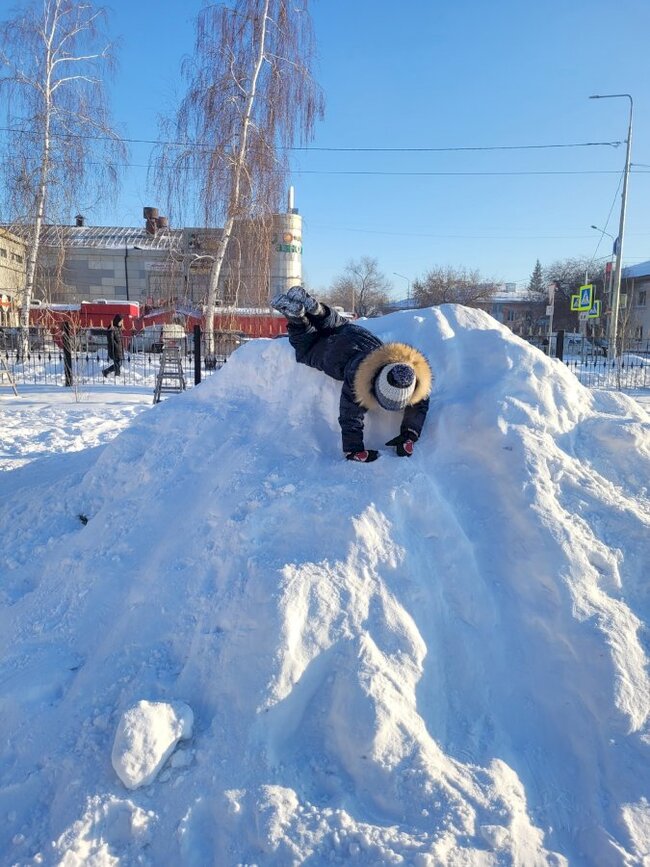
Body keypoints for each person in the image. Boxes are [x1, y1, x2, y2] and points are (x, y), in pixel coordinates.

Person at [271, 286, 432, 463]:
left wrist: (409, 435)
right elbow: (350, 415)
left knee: (336, 323)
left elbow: (420, 401)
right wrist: (354, 450)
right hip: (331, 352)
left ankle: (317, 310)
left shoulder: (403, 370)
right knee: (306, 344)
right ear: (376, 387)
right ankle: (297, 318)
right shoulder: (360, 379)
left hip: (357, 336)